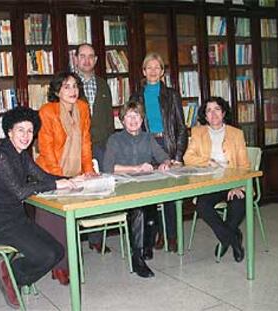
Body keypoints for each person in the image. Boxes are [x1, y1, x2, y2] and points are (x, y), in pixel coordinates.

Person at [0, 106, 76, 309]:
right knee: (47, 255)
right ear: (9, 132)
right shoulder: (1, 157)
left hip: (18, 220)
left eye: (30, 131)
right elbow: (20, 192)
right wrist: (55, 185)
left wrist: (72, 180)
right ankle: (12, 275)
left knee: (58, 251)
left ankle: (12, 273)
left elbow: (42, 176)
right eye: (20, 130)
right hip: (0, 225)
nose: (26, 136)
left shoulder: (21, 154)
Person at [36, 71, 95, 285]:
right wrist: (59, 180)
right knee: (55, 220)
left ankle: (64, 263)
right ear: (57, 91)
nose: (72, 91)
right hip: (49, 173)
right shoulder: (47, 111)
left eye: (75, 86)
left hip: (75, 172)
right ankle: (59, 266)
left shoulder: (82, 108)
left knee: (69, 218)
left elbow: (86, 141)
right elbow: (47, 148)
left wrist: (87, 169)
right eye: (67, 86)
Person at [103, 100, 171, 278]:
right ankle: (137, 257)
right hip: (122, 186)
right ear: (122, 120)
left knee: (151, 204)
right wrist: (136, 168)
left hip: (145, 185)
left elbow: (164, 157)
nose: (133, 120)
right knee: (139, 209)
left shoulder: (148, 138)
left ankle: (147, 245)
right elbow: (108, 167)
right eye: (129, 116)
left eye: (137, 116)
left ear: (142, 119)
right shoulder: (115, 139)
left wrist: (164, 163)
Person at [130, 52, 188, 258]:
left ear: (162, 72)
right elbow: (131, 126)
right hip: (146, 146)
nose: (153, 71)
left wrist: (178, 155)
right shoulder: (136, 96)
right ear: (144, 71)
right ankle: (156, 235)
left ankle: (171, 236)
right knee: (151, 194)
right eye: (149, 67)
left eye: (157, 67)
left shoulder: (172, 95)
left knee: (170, 194)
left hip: (167, 144)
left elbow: (181, 127)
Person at [183, 97, 249, 262]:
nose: (213, 114)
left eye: (217, 109)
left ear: (224, 112)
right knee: (201, 205)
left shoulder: (236, 133)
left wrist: (238, 185)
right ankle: (233, 238)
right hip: (210, 184)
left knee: (238, 202)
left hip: (232, 182)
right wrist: (207, 161)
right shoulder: (198, 132)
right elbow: (187, 158)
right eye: (209, 110)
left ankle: (226, 237)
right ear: (205, 116)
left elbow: (244, 165)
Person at [74, 43, 115, 252]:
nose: (87, 60)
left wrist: (110, 146)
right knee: (76, 191)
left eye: (91, 56)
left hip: (100, 146)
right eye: (82, 56)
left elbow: (109, 119)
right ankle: (71, 242)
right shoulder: (68, 84)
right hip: (74, 149)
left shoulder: (103, 84)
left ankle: (96, 240)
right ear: (75, 59)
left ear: (96, 60)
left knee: (99, 191)